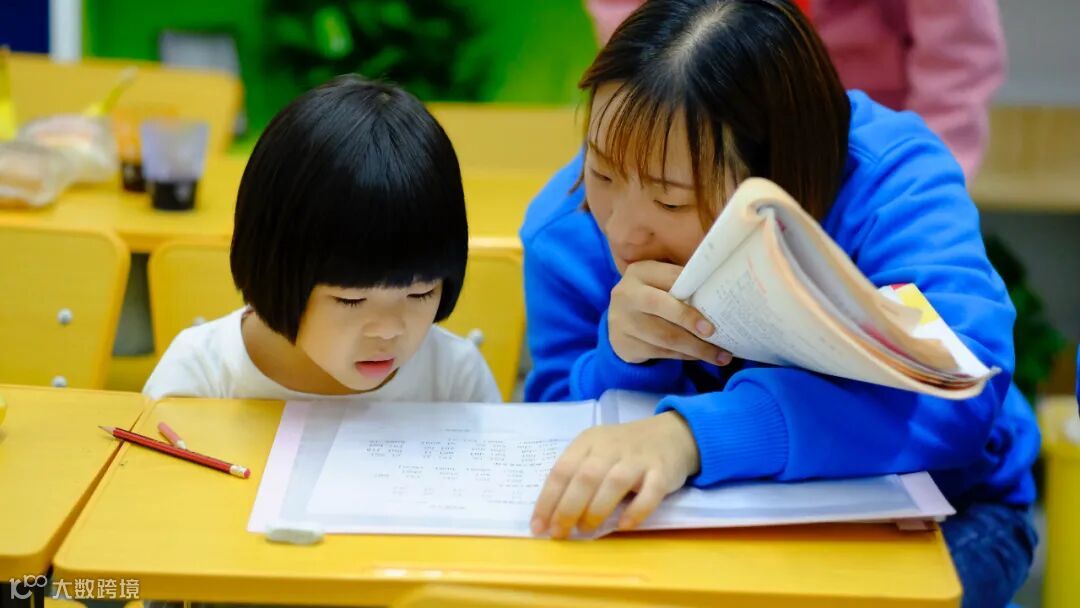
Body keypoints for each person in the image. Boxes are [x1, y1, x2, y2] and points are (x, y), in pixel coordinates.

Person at [522, 2, 1037, 606]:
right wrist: (624, 360)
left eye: (671, 202)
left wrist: (690, 436)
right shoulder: (564, 228)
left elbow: (957, 393)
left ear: (781, 175)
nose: (624, 232)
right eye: (603, 173)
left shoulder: (892, 180)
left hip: (945, 514)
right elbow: (553, 434)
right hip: (689, 531)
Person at [144, 76, 500, 404]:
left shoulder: (455, 378)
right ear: (274, 269)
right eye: (351, 299)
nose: (388, 330)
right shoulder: (200, 377)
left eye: (421, 293)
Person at [584, 0, 1006, 181]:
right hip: (700, 128)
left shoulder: (890, 175)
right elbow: (637, 30)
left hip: (870, 143)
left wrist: (925, 178)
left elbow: (958, 57)